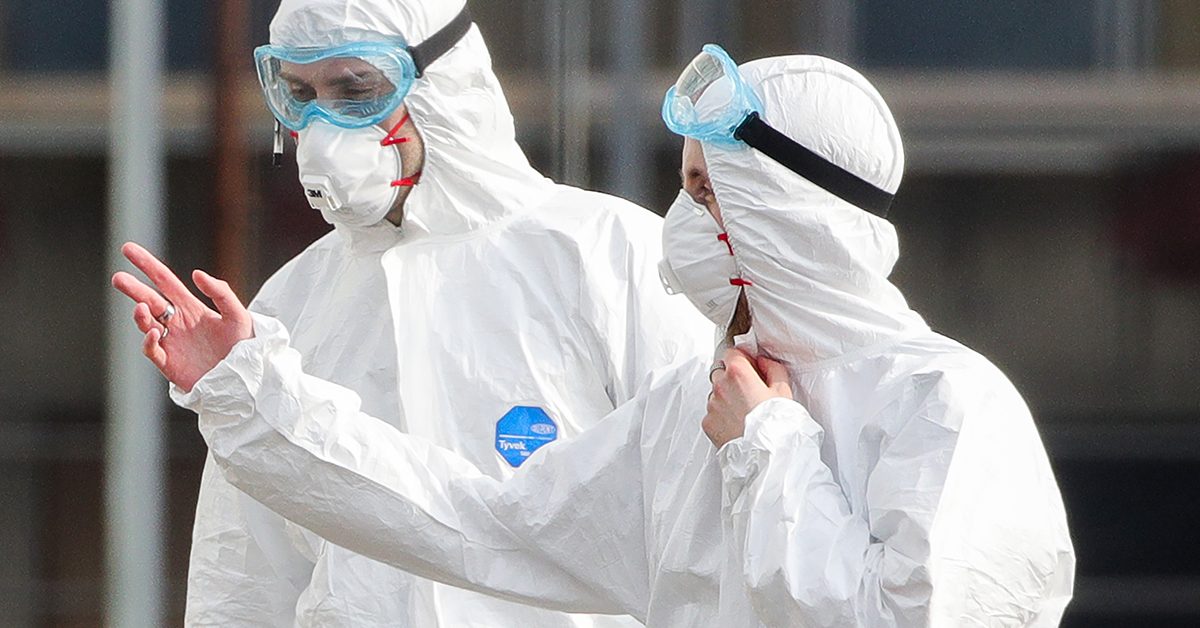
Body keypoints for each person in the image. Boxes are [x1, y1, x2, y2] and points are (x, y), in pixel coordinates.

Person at [118, 46, 1076, 626]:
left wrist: (769, 449)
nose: (680, 221)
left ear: (787, 210)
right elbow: (476, 523)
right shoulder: (688, 414)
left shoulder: (947, 405)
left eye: (704, 190)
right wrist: (254, 398)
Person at [110, 0, 712, 626]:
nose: (322, 125)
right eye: (300, 94)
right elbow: (244, 577)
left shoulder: (612, 255)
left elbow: (699, 532)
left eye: (355, 90)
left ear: (441, 83)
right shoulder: (292, 302)